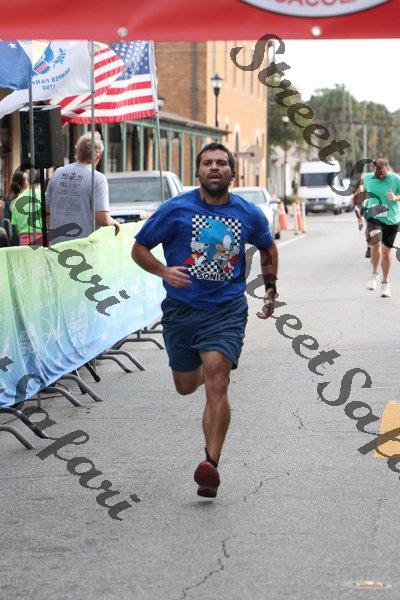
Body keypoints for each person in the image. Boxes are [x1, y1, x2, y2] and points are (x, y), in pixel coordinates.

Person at [131, 142, 278, 498]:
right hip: (181, 311)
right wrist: (163, 271)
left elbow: (268, 248)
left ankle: (210, 464)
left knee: (218, 380)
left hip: (226, 309)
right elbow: (138, 248)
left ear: (232, 172)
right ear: (197, 172)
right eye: (208, 163)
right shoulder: (175, 209)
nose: (215, 167)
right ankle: (201, 365)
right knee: (185, 385)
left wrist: (271, 288)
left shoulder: (248, 213)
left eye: (221, 163)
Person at [45, 132, 120, 244]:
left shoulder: (58, 173)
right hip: (82, 245)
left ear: (77, 151)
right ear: (98, 155)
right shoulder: (98, 178)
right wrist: (115, 223)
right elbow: (102, 218)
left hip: (57, 243)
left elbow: (47, 209)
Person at [362, 158, 400, 298]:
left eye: (383, 173)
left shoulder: (396, 179)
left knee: (386, 253)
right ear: (373, 168)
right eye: (378, 174)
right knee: (376, 241)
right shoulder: (367, 178)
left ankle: (385, 283)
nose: (381, 176)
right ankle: (374, 275)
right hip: (374, 215)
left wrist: (395, 197)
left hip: (391, 219)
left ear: (387, 167)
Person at [11, 169, 44, 246]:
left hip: (24, 241)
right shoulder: (43, 196)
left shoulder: (16, 201)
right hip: (42, 239)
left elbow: (17, 228)